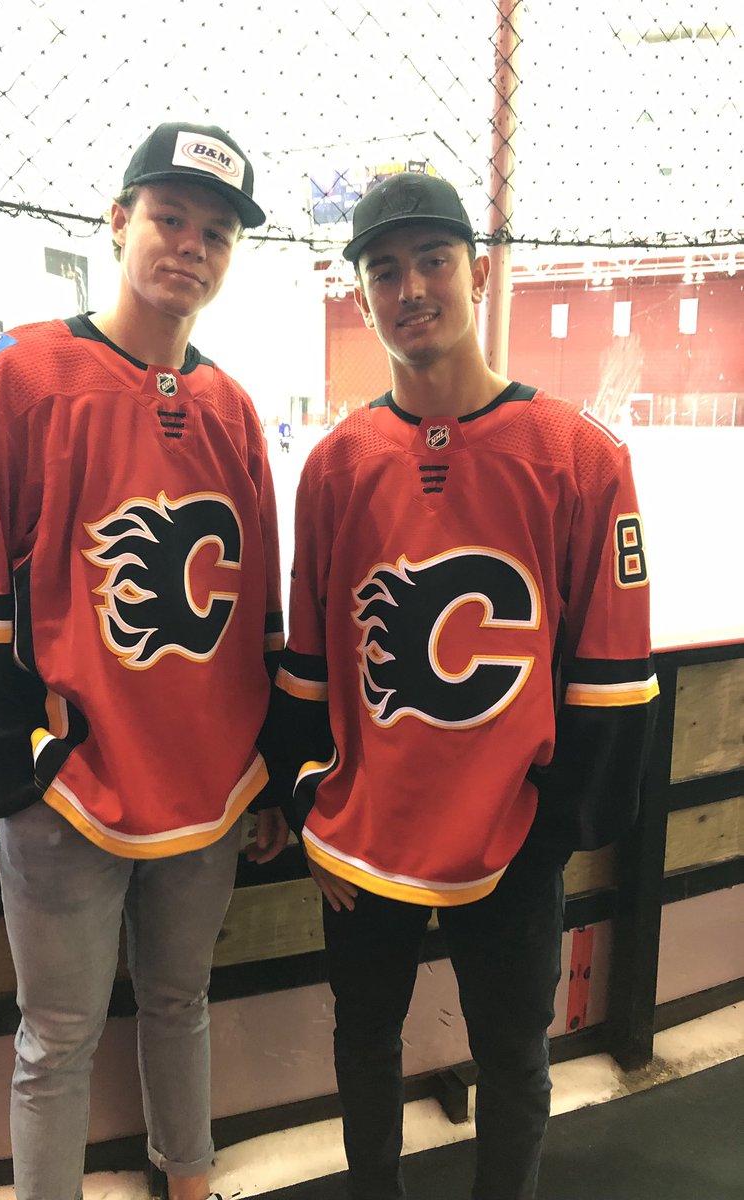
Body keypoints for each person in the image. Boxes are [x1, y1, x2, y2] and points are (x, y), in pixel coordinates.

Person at [0, 120, 288, 1200]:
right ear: (118, 222)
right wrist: (17, 767)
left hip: (206, 790)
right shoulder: (9, 379)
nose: (190, 246)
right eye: (169, 217)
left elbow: (258, 612)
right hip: (70, 791)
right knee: (56, 1037)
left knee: (181, 1001)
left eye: (215, 232)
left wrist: (264, 768)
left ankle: (190, 1180)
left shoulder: (233, 409)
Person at [269, 171, 658, 1200]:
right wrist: (308, 801)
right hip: (365, 834)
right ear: (362, 297)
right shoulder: (336, 465)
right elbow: (309, 661)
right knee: (364, 1041)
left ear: (477, 273)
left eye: (433, 261)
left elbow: (613, 673)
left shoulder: (580, 456)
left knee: (514, 1055)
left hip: (510, 831)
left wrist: (550, 825)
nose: (411, 288)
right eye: (384, 270)